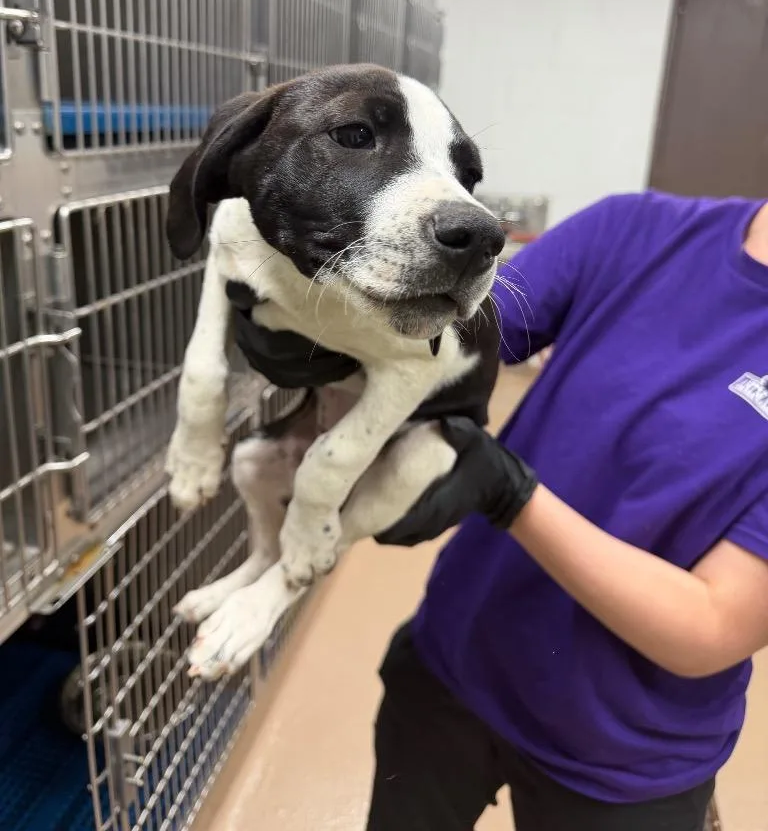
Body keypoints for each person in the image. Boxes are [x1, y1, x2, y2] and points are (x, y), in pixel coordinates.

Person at [228, 191, 768, 831]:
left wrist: (511, 495)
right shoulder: (640, 229)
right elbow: (452, 346)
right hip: (457, 667)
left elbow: (712, 625)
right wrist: (326, 333)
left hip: (623, 755)